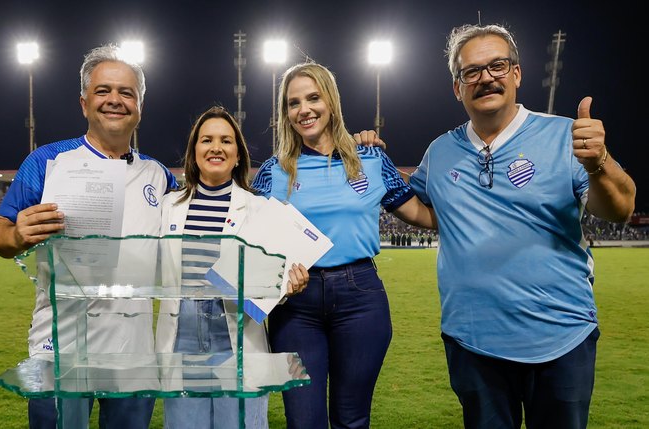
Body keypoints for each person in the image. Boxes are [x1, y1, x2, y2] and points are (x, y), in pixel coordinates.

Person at [407, 24, 636, 429]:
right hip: (470, 340)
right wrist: (367, 158)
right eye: (471, 72)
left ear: (516, 74)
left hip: (561, 338)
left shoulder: (565, 135)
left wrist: (599, 163)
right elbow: (424, 210)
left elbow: (619, 209)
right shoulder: (439, 152)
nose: (486, 77)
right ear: (457, 88)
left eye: (497, 65)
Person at [0, 44, 178, 429]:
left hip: (133, 350)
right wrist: (18, 233)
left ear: (139, 107)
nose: (115, 100)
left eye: (127, 93)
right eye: (103, 91)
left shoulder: (159, 175)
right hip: (60, 346)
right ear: (84, 103)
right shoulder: (47, 161)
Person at [252, 62, 435, 429]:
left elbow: (421, 215)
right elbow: (250, 243)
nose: (304, 109)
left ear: (331, 102)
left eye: (313, 98)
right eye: (293, 103)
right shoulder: (273, 171)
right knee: (304, 422)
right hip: (295, 307)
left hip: (360, 298)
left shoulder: (371, 159)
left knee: (352, 420)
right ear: (285, 113)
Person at [155, 106, 309, 429]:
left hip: (237, 340)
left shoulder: (258, 209)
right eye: (206, 140)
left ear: (238, 154)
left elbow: (270, 283)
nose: (216, 147)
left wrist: (287, 286)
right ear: (194, 152)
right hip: (181, 342)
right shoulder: (168, 206)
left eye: (226, 141)